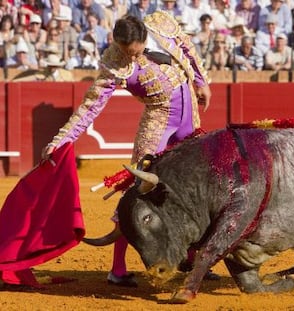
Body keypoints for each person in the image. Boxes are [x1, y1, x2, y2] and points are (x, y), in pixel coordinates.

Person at [41, 12, 211, 287]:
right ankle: (117, 268)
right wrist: (62, 140)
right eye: (124, 52)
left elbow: (187, 48)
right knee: (137, 190)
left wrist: (202, 82)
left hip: (189, 117)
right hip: (158, 122)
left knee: (192, 187)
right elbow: (89, 107)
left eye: (134, 52)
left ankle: (190, 257)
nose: (130, 58)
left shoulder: (162, 24)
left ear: (145, 36)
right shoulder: (115, 63)